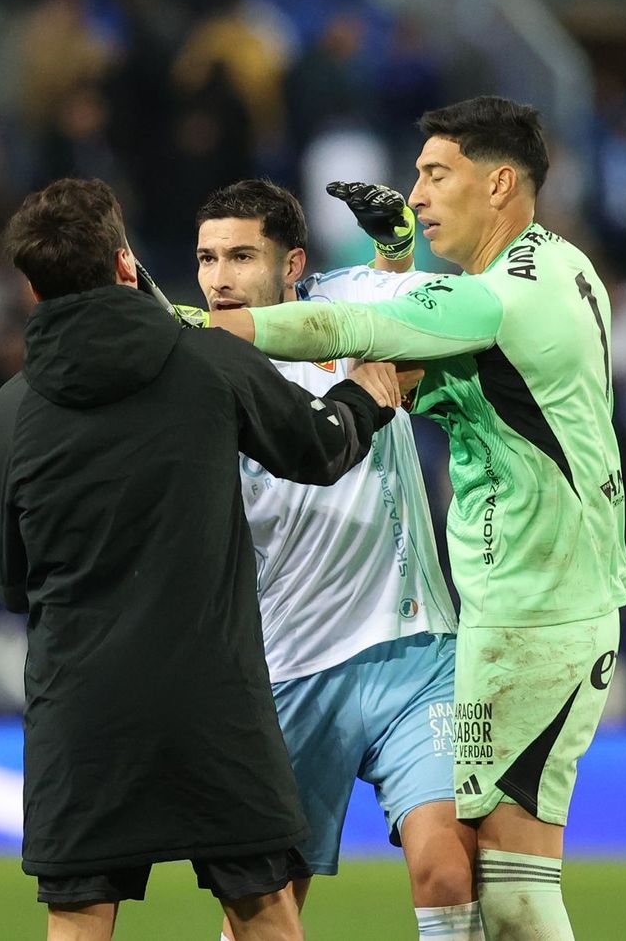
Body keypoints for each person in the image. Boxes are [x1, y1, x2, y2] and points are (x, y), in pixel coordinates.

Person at [213, 96, 626, 940]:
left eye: (436, 175)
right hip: (475, 619)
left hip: (533, 615)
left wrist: (205, 328)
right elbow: (437, 355)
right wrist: (394, 264)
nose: (416, 193)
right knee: (491, 883)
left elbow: (352, 319)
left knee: (503, 885)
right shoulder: (564, 266)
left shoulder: (496, 298)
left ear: (502, 183)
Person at [0, 178, 404, 941]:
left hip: (81, 706)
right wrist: (365, 397)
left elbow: (11, 582)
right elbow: (319, 447)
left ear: (34, 287)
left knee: (78, 920)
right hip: (212, 700)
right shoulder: (206, 361)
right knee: (265, 912)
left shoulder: (10, 412)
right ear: (124, 264)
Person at [194, 178, 481, 941]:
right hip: (286, 669)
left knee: (450, 867)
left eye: (241, 255)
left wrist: (393, 246)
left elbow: (425, 300)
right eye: (207, 257)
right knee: (265, 912)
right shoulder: (196, 368)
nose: (220, 276)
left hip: (415, 649)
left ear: (293, 266)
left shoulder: (346, 301)